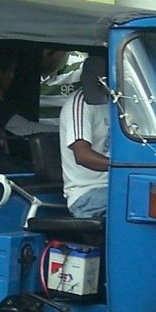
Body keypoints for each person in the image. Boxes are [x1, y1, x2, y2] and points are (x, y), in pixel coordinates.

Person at [58, 52, 110, 219]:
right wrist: (123, 167)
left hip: (116, 186)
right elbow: (83, 155)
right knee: (139, 202)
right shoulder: (81, 104)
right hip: (86, 193)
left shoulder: (117, 102)